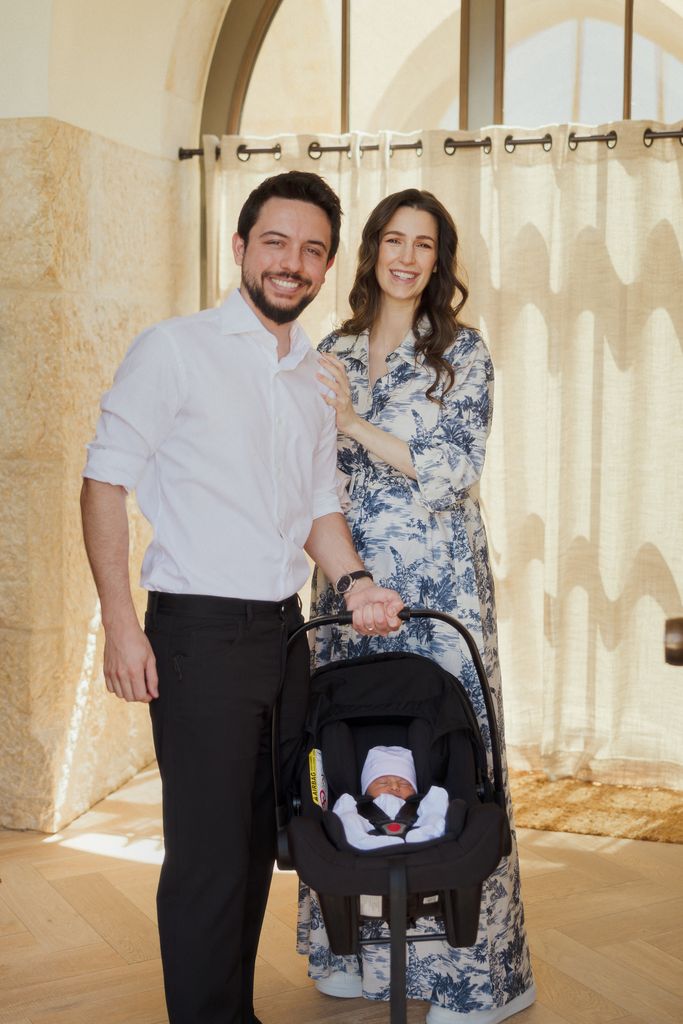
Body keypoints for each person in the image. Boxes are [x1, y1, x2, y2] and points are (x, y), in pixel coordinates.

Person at [80, 170, 403, 1024]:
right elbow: (103, 481)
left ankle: (230, 1012)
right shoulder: (174, 348)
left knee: (263, 840)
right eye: (275, 242)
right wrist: (120, 625)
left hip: (284, 636)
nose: (291, 263)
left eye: (311, 249)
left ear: (327, 265)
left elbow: (318, 508)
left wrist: (358, 581)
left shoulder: (313, 374)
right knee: (208, 856)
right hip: (197, 633)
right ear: (239, 248)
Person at [297, 189, 536, 1023]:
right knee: (348, 755)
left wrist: (355, 423)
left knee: (450, 758)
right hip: (345, 580)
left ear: (439, 261)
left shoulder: (461, 354)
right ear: (369, 251)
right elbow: (305, 470)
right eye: (391, 240)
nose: (405, 256)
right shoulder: (329, 347)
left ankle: (475, 974)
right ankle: (350, 951)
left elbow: (450, 469)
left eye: (422, 244)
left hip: (436, 585)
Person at [333, 744, 449, 850]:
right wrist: (347, 810)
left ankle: (428, 833)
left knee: (436, 803)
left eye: (404, 783)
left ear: (414, 790)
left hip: (417, 829)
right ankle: (362, 841)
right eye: (383, 783)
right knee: (348, 817)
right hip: (369, 831)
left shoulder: (419, 803)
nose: (394, 787)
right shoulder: (361, 806)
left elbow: (435, 805)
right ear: (367, 790)